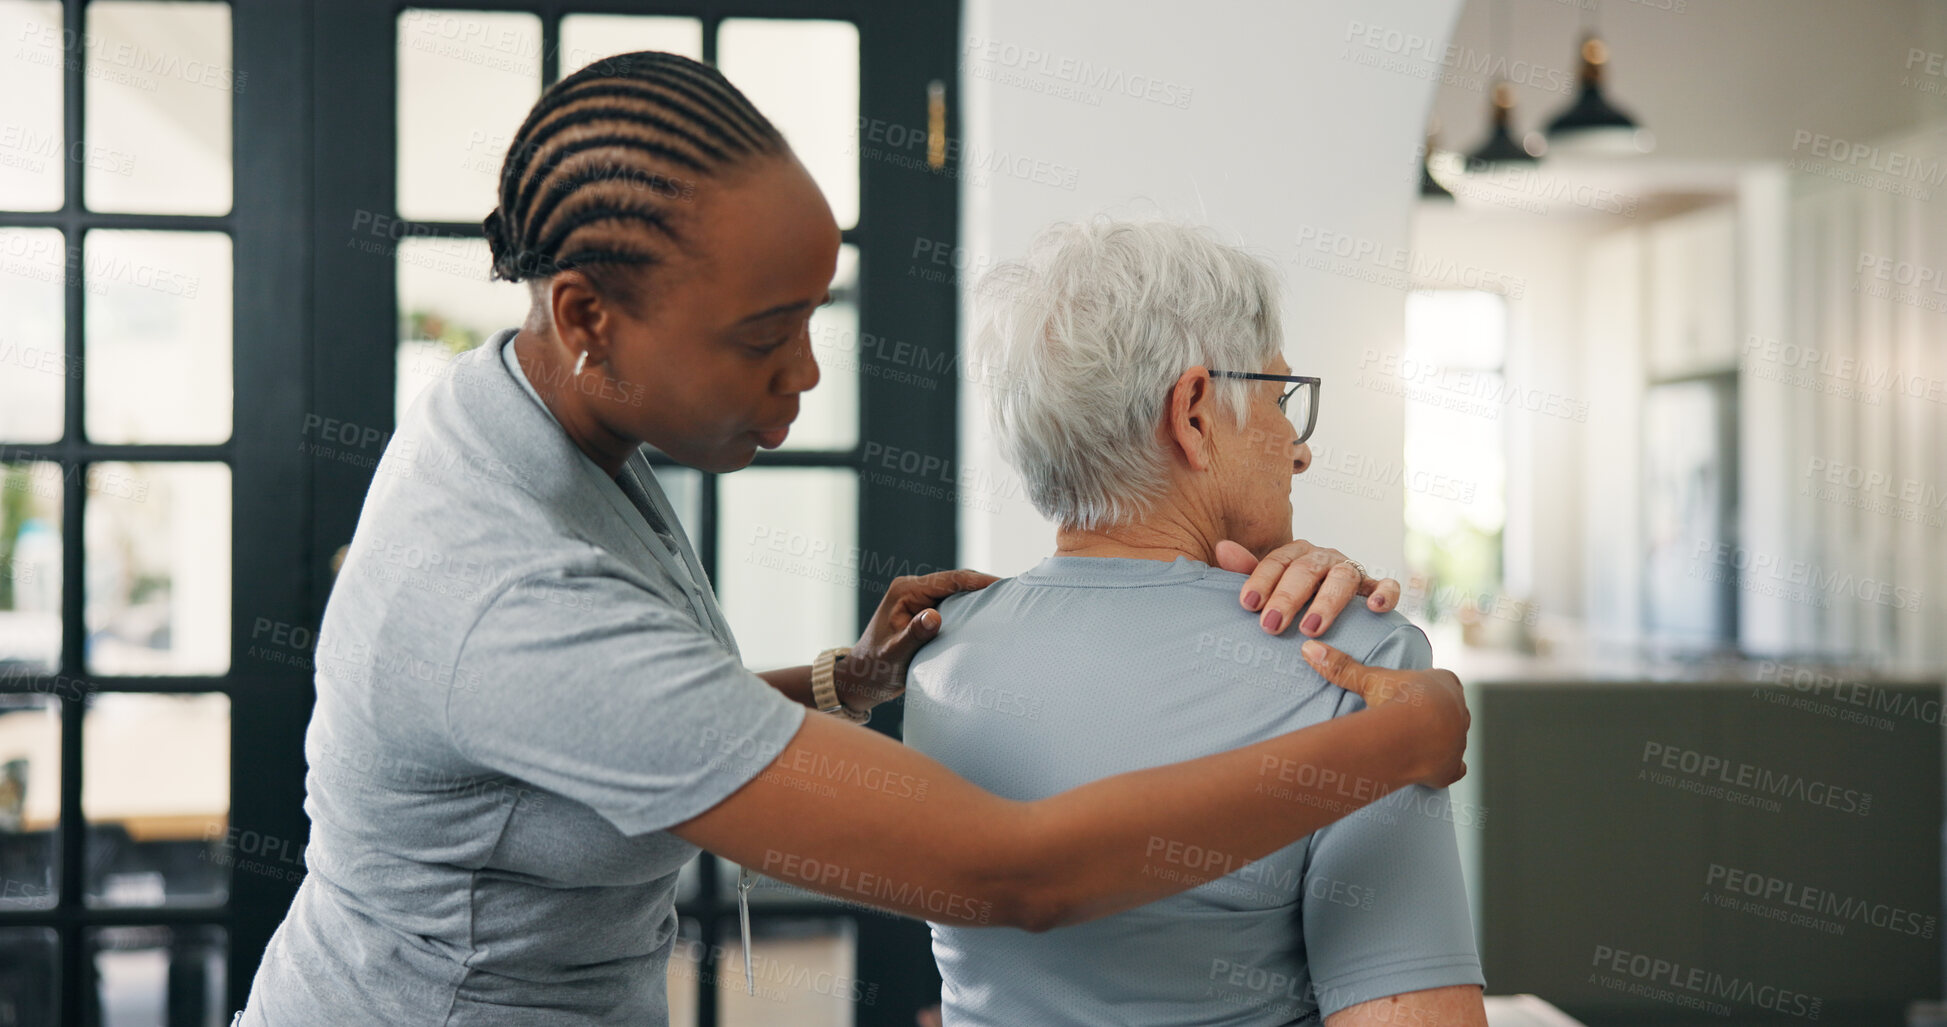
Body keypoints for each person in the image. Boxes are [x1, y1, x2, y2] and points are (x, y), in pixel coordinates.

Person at [236, 52, 1471, 1026]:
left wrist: (844, 683)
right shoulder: (502, 583)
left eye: (815, 316)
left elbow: (615, 733)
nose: (810, 373)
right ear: (587, 316)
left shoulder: (537, 415)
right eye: (764, 336)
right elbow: (1013, 874)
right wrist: (1393, 734)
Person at [905, 219, 1487, 1026]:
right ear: (1193, 414)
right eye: (1282, 400)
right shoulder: (1359, 664)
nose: (1299, 450)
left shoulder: (940, 649)